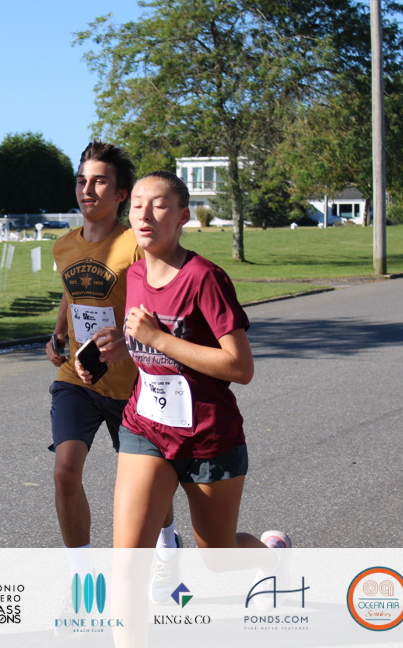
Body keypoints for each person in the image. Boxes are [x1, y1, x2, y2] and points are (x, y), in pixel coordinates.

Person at [80, 170, 289, 554]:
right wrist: (117, 349)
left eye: (159, 206)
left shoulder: (204, 278)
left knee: (220, 558)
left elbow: (240, 368)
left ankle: (271, 557)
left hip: (207, 437)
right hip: (145, 429)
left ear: (183, 217)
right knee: (128, 562)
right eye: (137, 206)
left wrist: (158, 338)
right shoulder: (135, 274)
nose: (144, 215)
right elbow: (147, 337)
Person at [46, 144, 178, 599]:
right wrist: (58, 332)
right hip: (77, 378)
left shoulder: (136, 245)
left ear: (121, 194)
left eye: (100, 181)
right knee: (65, 471)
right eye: (82, 180)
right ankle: (82, 578)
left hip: (135, 384)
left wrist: (130, 343)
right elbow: (71, 292)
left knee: (148, 487)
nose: (87, 189)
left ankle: (167, 548)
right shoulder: (64, 245)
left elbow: (160, 304)